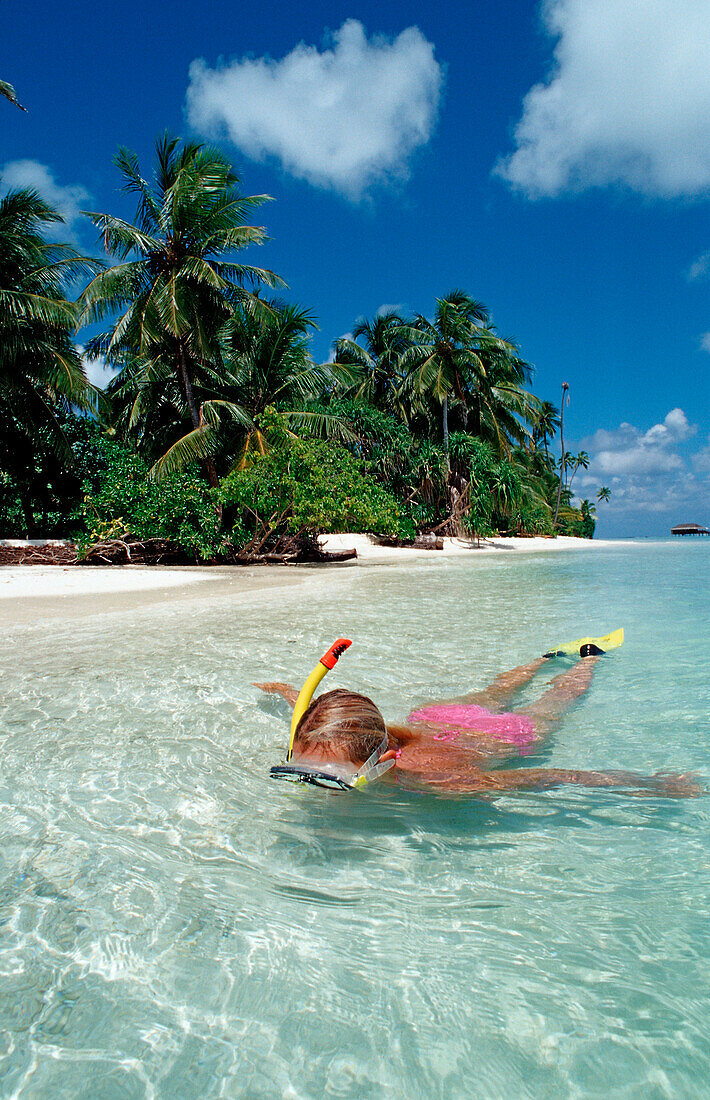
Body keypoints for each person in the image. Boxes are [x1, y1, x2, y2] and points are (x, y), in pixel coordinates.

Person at [256, 644, 702, 797]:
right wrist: (285, 693)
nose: (314, 782)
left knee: (556, 700)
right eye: (304, 772)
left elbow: (548, 778)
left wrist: (652, 784)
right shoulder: (323, 732)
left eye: (335, 779)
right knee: (493, 691)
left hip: (496, 737)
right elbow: (321, 713)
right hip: (437, 719)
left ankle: (585, 662)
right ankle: (540, 658)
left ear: (387, 761)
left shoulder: (440, 782)